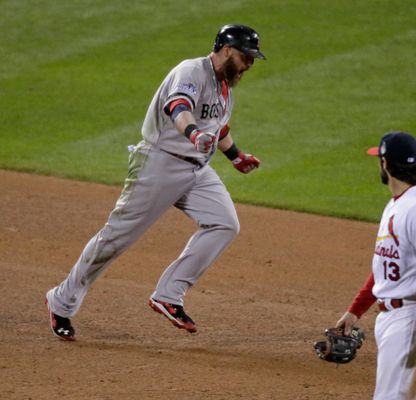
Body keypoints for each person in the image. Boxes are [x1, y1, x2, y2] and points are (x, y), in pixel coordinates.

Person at [45, 24, 266, 340]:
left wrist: (236, 156)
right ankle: (62, 300)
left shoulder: (225, 85)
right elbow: (178, 106)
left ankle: (169, 294)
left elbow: (217, 125)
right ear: (227, 50)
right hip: (159, 165)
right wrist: (192, 134)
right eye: (247, 57)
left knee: (225, 223)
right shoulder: (192, 70)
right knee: (115, 239)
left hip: (196, 171)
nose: (250, 64)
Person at [335, 132, 416, 399]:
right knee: (415, 395)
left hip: (412, 321)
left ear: (385, 163)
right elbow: (385, 265)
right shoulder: (397, 204)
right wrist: (355, 311)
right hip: (400, 318)